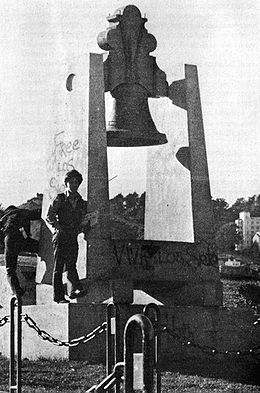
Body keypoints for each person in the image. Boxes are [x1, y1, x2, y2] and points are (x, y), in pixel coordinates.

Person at [46, 169, 89, 304]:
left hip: (72, 235)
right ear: (66, 183)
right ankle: (58, 297)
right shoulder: (60, 198)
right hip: (60, 236)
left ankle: (74, 290)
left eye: (77, 182)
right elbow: (49, 215)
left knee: (71, 264)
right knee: (59, 267)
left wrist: (86, 225)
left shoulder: (81, 202)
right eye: (71, 182)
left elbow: (83, 219)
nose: (74, 185)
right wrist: (58, 228)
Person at [0, 205, 41, 297]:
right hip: (22, 238)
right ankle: (42, 251)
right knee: (37, 247)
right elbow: (38, 214)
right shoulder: (23, 212)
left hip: (9, 240)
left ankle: (16, 291)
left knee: (10, 269)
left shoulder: (4, 219)